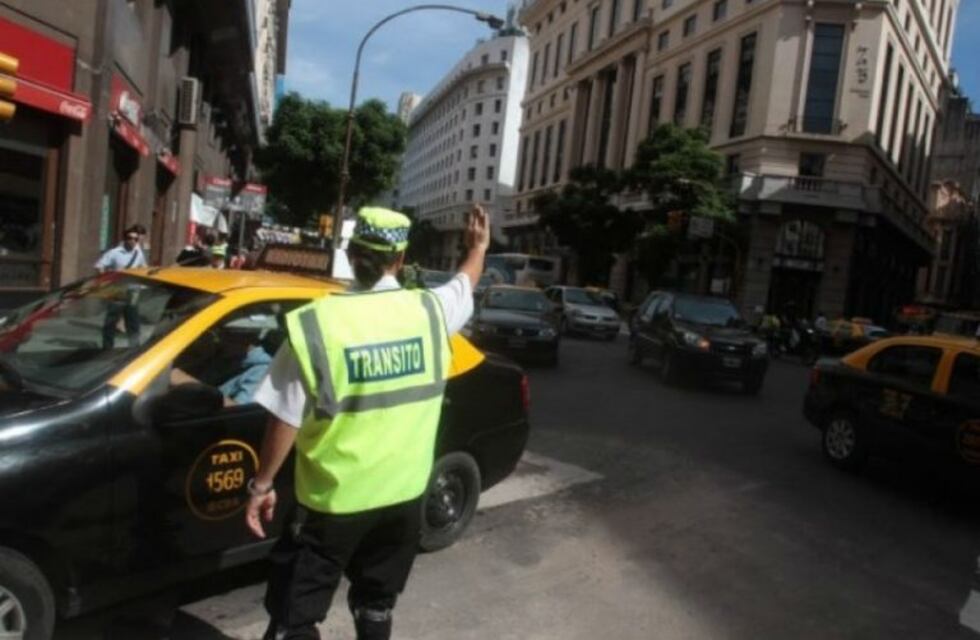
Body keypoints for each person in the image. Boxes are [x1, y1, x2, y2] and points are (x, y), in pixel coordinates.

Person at [245, 204, 490, 640]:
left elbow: (285, 417)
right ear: (400, 259)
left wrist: (262, 486)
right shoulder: (431, 312)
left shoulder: (316, 325)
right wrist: (478, 247)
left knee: (294, 614)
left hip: (332, 504)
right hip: (402, 498)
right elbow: (464, 282)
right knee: (375, 606)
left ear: (352, 252)